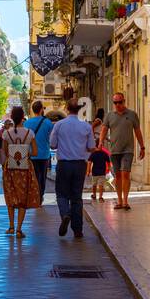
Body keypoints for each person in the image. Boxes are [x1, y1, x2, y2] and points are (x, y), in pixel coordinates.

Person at [50, 100, 94, 238]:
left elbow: (52, 144)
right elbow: (91, 146)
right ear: (80, 109)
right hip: (80, 164)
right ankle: (78, 230)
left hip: (64, 164)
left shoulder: (59, 125)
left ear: (67, 109)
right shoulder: (86, 126)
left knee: (62, 194)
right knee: (77, 197)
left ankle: (65, 214)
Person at [101, 92, 145, 210]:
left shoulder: (132, 115)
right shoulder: (109, 116)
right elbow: (104, 130)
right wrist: (100, 142)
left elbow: (137, 131)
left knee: (125, 173)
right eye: (115, 103)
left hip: (128, 149)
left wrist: (142, 146)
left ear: (124, 101)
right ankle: (119, 201)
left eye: (120, 102)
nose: (118, 105)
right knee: (118, 176)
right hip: (114, 150)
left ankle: (125, 201)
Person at [0, 106, 40, 236]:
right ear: (23, 117)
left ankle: (11, 226)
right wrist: (25, 154)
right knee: (23, 197)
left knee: (10, 196)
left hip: (10, 168)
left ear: (12, 118)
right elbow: (35, 152)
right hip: (25, 168)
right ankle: (18, 229)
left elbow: (5, 152)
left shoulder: (6, 133)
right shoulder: (30, 133)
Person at [23, 100, 54, 203]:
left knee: (34, 176)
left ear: (33, 110)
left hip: (32, 154)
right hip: (45, 154)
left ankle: (36, 195)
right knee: (42, 177)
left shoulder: (27, 123)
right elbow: (52, 138)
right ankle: (40, 196)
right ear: (41, 110)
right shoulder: (48, 122)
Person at [89, 107, 110, 203]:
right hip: (97, 139)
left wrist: (108, 139)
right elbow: (92, 127)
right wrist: (93, 137)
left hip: (99, 138)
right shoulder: (98, 120)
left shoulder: (100, 120)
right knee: (99, 155)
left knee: (100, 156)